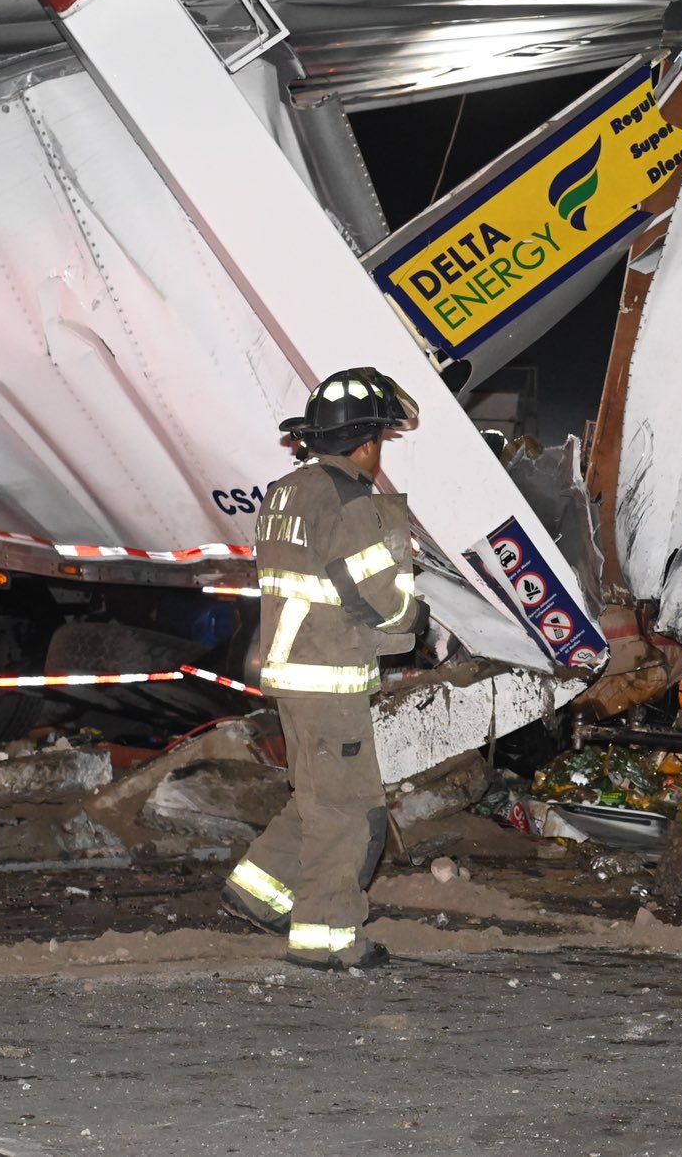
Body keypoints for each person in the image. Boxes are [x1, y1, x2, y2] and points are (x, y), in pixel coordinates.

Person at [222, 367, 425, 971]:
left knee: (315, 794)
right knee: (350, 809)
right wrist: (418, 605)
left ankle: (254, 893)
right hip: (329, 676)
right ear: (366, 444)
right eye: (382, 441)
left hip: (293, 675)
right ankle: (330, 937)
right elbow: (381, 599)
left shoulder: (286, 491)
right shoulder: (352, 500)